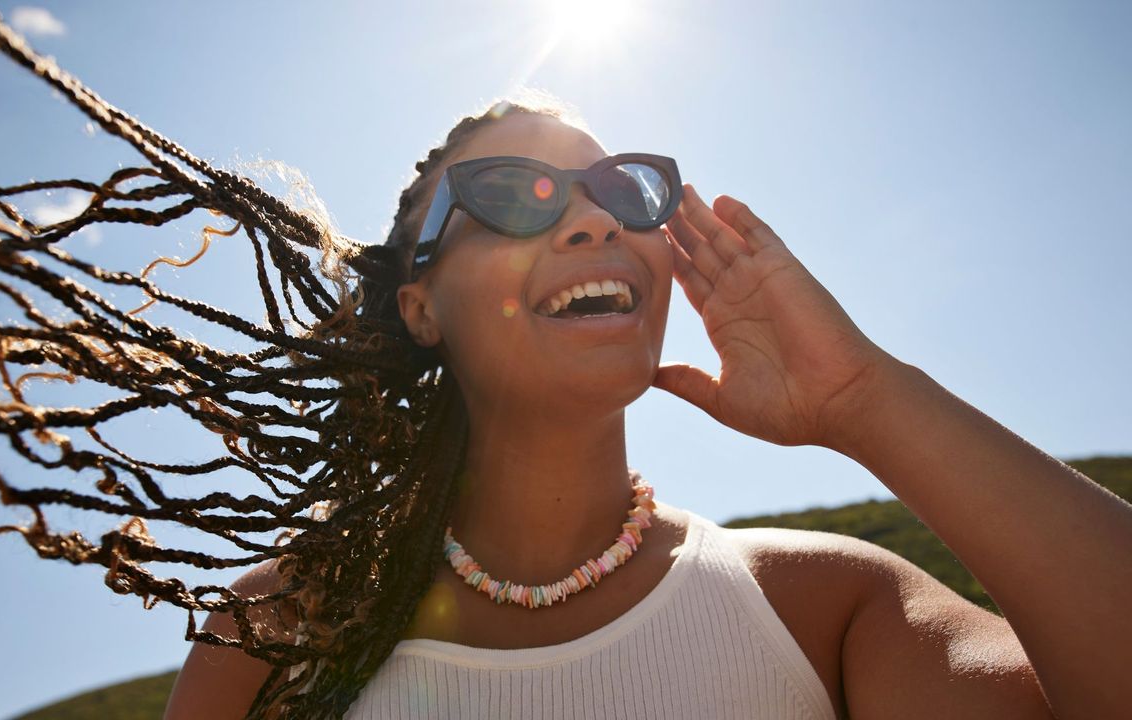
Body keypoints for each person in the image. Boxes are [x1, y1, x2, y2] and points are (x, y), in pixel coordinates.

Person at [164, 99, 1130, 719]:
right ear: (419, 305)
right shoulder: (279, 631)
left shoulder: (821, 611)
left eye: (621, 192)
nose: (593, 219)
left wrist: (866, 399)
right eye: (512, 195)